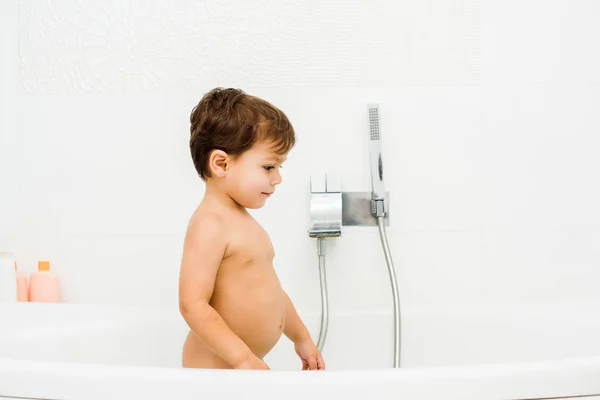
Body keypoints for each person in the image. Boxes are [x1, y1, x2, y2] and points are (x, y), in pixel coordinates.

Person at [179, 87, 325, 371]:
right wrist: (243, 358)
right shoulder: (210, 223)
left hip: (240, 369)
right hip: (214, 371)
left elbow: (272, 291)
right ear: (221, 164)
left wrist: (301, 337)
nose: (278, 178)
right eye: (269, 167)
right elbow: (192, 304)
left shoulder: (243, 220)